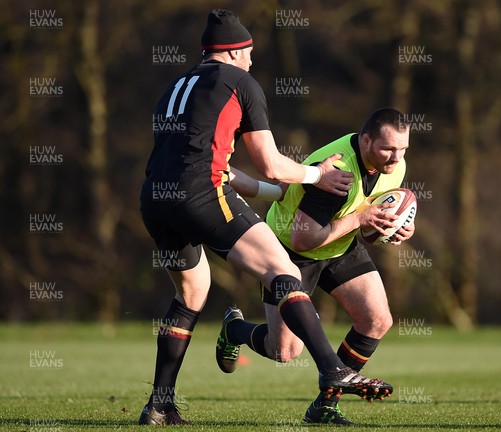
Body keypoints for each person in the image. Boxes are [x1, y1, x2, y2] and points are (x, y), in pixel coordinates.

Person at [138, 9, 392, 426]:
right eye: (250, 52)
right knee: (282, 270)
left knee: (190, 296)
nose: (253, 61)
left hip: (154, 198)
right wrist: (317, 174)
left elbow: (222, 167)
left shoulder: (177, 84)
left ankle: (159, 405)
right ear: (235, 51)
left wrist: (281, 191)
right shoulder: (241, 83)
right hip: (201, 194)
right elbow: (271, 164)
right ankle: (333, 368)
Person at [216, 108, 413, 425]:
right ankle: (234, 330)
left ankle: (325, 405)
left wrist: (397, 228)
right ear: (365, 141)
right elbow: (305, 239)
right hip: (291, 251)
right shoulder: (338, 172)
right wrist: (360, 220)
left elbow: (376, 208)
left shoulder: (395, 164)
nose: (396, 158)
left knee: (376, 320)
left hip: (340, 244)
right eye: (388, 149)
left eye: (402, 149)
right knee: (284, 352)